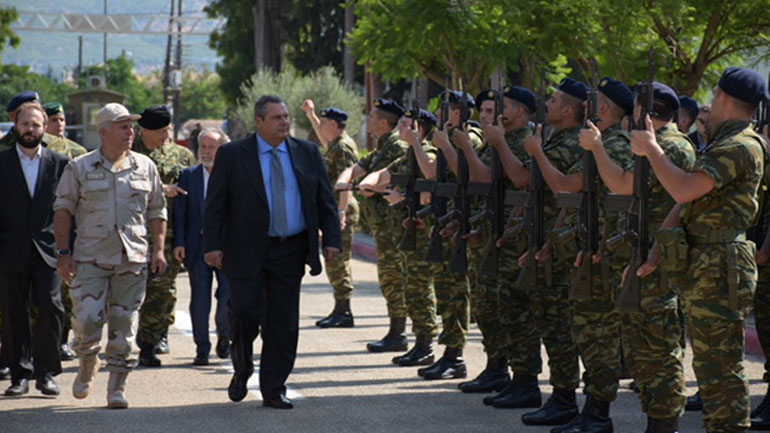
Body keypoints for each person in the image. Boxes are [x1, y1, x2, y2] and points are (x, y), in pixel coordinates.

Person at [631, 67, 768, 433]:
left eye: (713, 97)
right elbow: (691, 200)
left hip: (720, 264)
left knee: (720, 369)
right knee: (709, 367)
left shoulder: (741, 145)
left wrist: (653, 150)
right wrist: (664, 238)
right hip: (707, 260)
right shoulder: (726, 141)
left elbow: (685, 189)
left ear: (722, 97)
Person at [204, 95, 341, 410]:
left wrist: (332, 239)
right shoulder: (234, 155)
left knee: (283, 322)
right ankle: (242, 368)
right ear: (259, 121)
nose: (285, 122)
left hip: (290, 249)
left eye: (287, 117)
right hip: (245, 249)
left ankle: (274, 387)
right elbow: (215, 206)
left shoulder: (307, 153)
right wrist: (212, 245)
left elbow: (325, 200)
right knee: (244, 312)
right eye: (277, 118)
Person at [581, 82, 696, 433]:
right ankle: (657, 421)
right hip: (642, 259)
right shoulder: (656, 144)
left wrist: (598, 148)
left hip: (657, 264)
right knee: (642, 350)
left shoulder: (670, 147)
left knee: (657, 351)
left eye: (635, 109)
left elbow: (621, 184)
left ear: (645, 112)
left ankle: (664, 425)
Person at [53, 102, 168, 409]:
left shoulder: (145, 166)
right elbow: (63, 209)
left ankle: (117, 387)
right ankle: (88, 361)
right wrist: (64, 253)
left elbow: (157, 210)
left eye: (131, 126)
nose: (130, 131)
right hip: (90, 259)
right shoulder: (79, 167)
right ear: (104, 131)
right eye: (123, 126)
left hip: (131, 259)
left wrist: (158, 249)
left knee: (125, 328)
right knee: (87, 321)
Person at [0, 102, 69, 397]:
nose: (30, 130)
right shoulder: (1, 162)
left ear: (45, 128)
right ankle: (20, 374)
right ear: (16, 125)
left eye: (36, 125)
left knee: (50, 307)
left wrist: (69, 249)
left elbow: (69, 210)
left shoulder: (60, 162)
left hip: (48, 249)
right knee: (14, 311)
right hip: (9, 249)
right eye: (25, 124)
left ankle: (47, 373)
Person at [335, 98, 409, 352]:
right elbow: (357, 169)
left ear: (383, 122)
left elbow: (395, 179)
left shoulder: (398, 146)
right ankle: (395, 331)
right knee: (389, 278)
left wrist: (371, 186)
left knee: (395, 278)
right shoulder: (382, 147)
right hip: (382, 225)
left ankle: (399, 334)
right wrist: (345, 180)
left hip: (394, 224)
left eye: (372, 116)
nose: (368, 119)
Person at [134, 105, 195, 367]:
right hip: (132, 234)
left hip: (168, 236)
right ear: (143, 131)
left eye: (167, 129)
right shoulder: (128, 153)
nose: (165, 136)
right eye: (159, 131)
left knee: (162, 290)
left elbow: (192, 195)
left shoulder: (182, 155)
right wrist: (160, 188)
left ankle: (150, 341)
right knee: (129, 292)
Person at [173, 127, 231, 366]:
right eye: (203, 147)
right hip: (197, 249)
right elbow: (181, 213)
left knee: (227, 298)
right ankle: (202, 348)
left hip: (228, 250)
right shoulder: (189, 175)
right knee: (200, 300)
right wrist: (180, 242)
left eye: (212, 147)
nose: (206, 152)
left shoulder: (233, 175)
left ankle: (225, 334)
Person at [301, 101, 360, 328]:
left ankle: (344, 311)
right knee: (333, 260)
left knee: (338, 261)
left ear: (335, 125)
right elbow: (322, 136)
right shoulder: (335, 143)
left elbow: (348, 180)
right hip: (336, 210)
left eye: (325, 123)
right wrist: (311, 115)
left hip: (341, 210)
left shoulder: (343, 148)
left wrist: (341, 213)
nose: (321, 126)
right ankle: (339, 308)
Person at [42, 101, 87, 362]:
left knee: (68, 292)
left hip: (70, 227)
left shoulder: (78, 151)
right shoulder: (40, 150)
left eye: (61, 120)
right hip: (44, 227)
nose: (59, 124)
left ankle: (62, 341)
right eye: (53, 120)